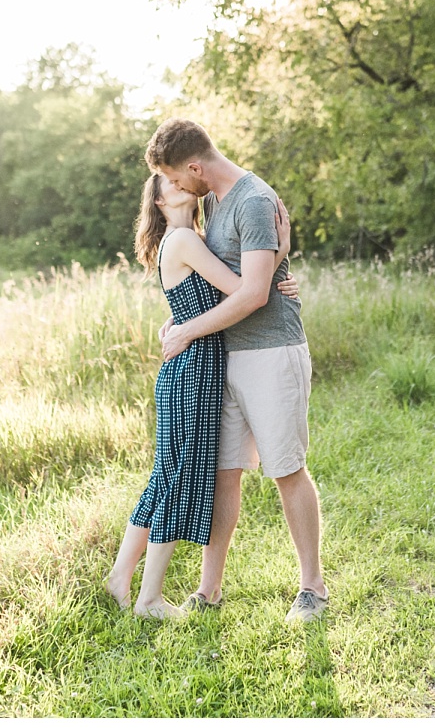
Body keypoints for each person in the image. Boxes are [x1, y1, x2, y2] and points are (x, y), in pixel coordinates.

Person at [146, 118, 329, 624]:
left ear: (195, 166)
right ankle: (209, 590)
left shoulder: (252, 199)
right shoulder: (211, 201)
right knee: (225, 474)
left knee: (285, 468)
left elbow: (252, 293)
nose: (177, 188)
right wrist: (182, 318)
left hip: (271, 352)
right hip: (223, 356)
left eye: (177, 178)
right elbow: (218, 278)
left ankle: (312, 588)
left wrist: (187, 332)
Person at [106, 171, 297, 619]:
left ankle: (120, 578)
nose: (177, 184)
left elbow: (211, 298)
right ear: (157, 202)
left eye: (178, 178)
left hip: (190, 366)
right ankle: (149, 600)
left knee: (165, 477)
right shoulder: (185, 241)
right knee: (177, 480)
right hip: (192, 370)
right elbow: (245, 290)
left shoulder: (191, 238)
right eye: (167, 184)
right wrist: (281, 254)